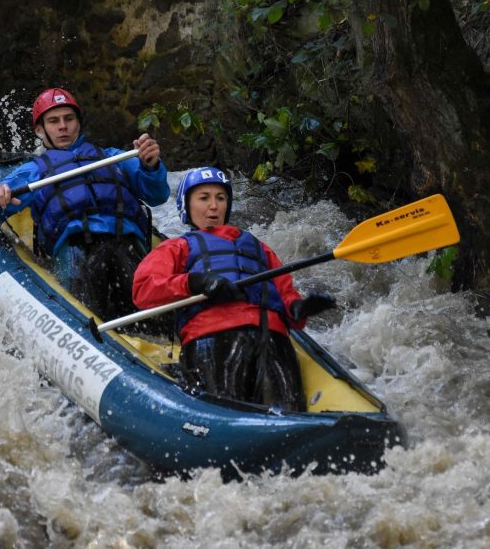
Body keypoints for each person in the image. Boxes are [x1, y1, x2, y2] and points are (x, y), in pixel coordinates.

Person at [131, 166, 336, 411]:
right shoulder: (177, 247)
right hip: (213, 336)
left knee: (289, 412)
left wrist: (299, 308)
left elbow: (284, 293)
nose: (214, 206)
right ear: (187, 205)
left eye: (220, 198)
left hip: (270, 337)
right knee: (228, 410)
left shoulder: (257, 246)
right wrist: (195, 282)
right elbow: (143, 290)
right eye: (203, 198)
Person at [0, 87, 170, 322]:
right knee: (87, 315)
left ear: (78, 123)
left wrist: (151, 166)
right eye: (54, 121)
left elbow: (157, 195)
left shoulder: (113, 156)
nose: (63, 126)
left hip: (127, 244)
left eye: (69, 119)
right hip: (76, 249)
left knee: (157, 319)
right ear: (40, 130)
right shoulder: (34, 171)